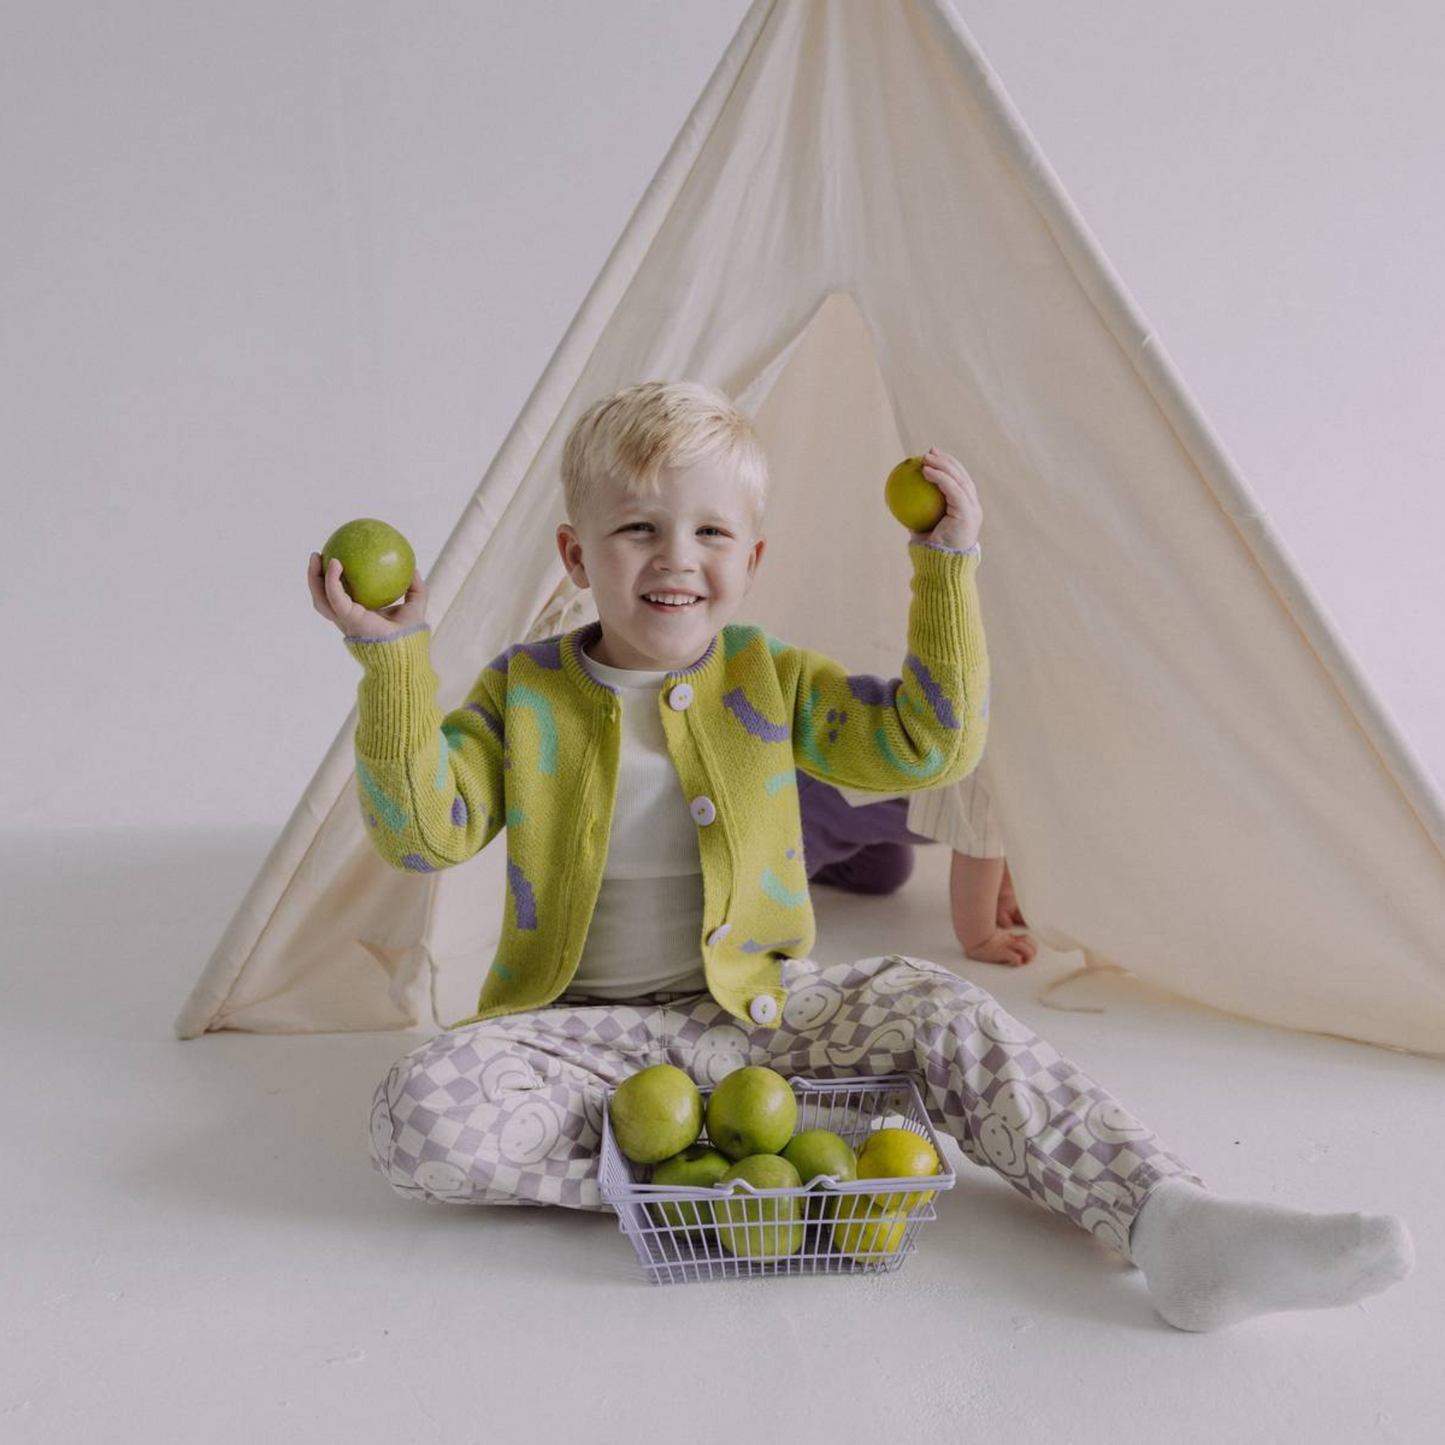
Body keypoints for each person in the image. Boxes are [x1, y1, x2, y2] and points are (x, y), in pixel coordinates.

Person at [306, 380, 1412, 1332]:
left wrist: (946, 570)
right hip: (581, 1038)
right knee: (418, 1108)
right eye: (635, 529)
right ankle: (743, 1178)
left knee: (938, 1004)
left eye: (707, 532)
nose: (672, 559)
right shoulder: (523, 690)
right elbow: (421, 831)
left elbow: (928, 742)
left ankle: (1169, 1222)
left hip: (765, 1020)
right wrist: (392, 663)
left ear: (752, 553)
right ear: (575, 551)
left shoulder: (768, 679)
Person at [798, 768, 1038, 968]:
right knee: (786, 882)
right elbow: (980, 844)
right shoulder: (989, 763)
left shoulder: (1023, 767)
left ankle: (822, 862)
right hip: (826, 792)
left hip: (881, 804)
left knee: (883, 875)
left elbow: (1005, 829)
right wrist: (982, 938)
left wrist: (1003, 896)